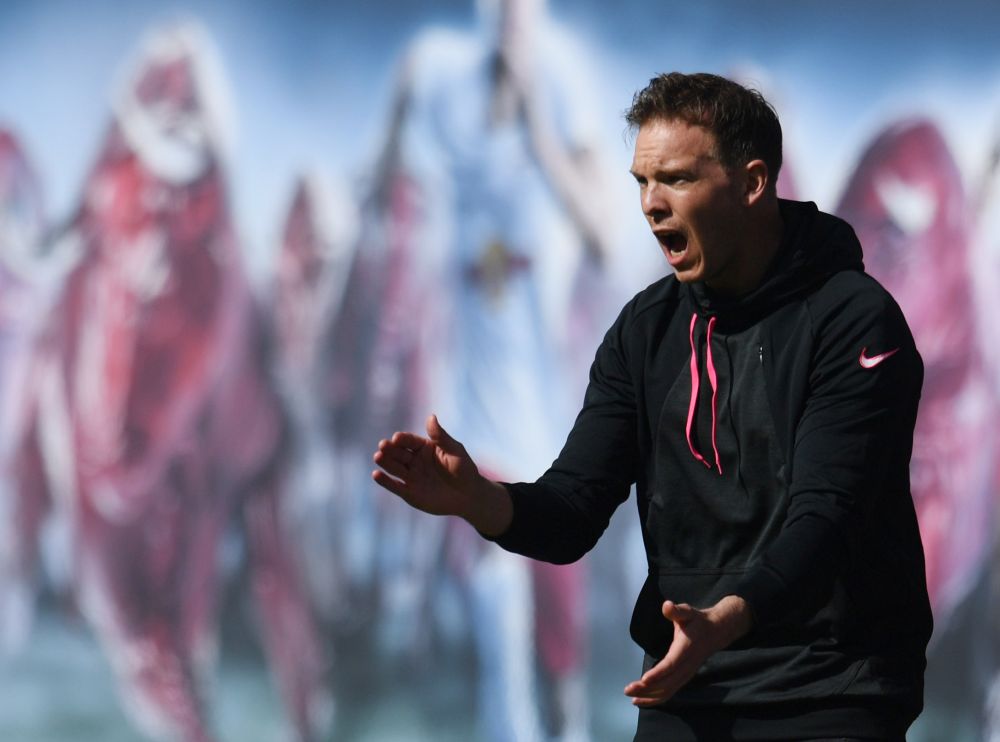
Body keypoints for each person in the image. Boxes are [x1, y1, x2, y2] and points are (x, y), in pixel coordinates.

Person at [373, 71, 932, 741]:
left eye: (677, 179)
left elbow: (826, 518)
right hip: (685, 686)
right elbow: (574, 509)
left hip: (832, 694)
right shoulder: (644, 331)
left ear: (754, 184)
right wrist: (480, 501)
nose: (651, 204)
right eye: (642, 181)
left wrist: (728, 618)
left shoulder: (855, 321)